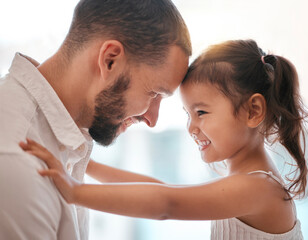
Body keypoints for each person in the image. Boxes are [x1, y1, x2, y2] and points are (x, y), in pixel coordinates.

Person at [20, 39, 308, 240]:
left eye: (201, 112)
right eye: (188, 114)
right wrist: (87, 165)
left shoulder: (258, 187)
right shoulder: (248, 178)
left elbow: (167, 203)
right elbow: (162, 189)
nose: (192, 128)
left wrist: (75, 192)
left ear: (254, 111)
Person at [0, 0, 191, 239]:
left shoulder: (60, 140)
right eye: (153, 93)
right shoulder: (17, 161)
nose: (152, 119)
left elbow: (168, 197)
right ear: (110, 60)